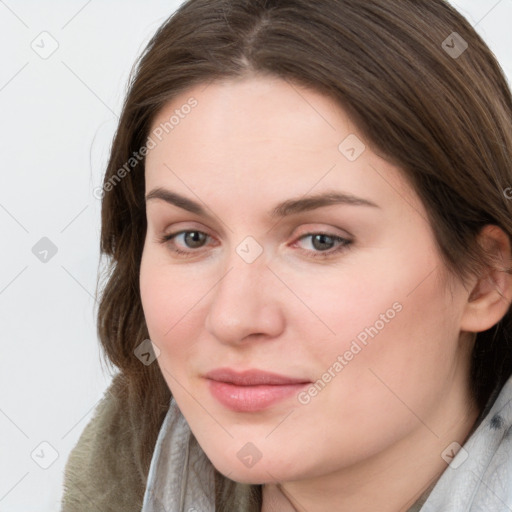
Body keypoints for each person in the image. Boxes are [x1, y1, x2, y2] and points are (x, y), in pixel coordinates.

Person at [60, 1, 512, 511]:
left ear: (484, 278)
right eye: (191, 237)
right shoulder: (118, 479)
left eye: (321, 240)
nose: (233, 317)